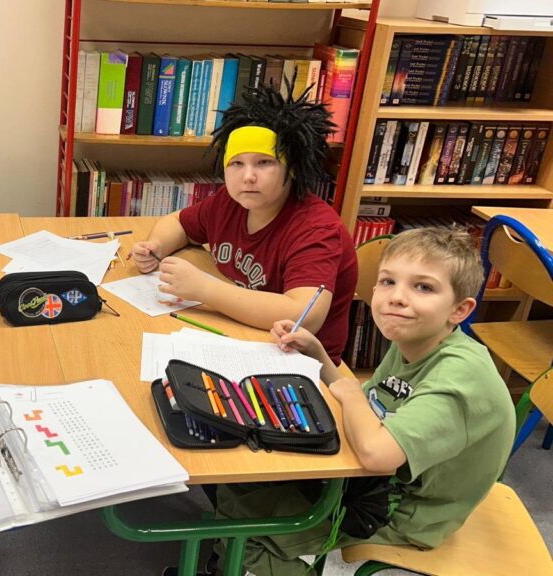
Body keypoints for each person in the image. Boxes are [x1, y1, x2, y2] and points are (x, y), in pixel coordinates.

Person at [208, 227, 515, 576]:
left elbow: (376, 453)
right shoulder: (417, 341)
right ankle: (224, 564)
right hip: (373, 481)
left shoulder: (460, 378)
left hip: (405, 510)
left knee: (247, 537)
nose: (397, 298)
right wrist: (316, 353)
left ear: (460, 310)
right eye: (388, 282)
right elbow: (369, 404)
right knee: (236, 484)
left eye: (423, 287)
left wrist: (352, 393)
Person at [131, 82, 357, 365]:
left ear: (292, 168)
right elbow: (179, 223)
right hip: (242, 334)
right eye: (236, 163)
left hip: (303, 362)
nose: (248, 176)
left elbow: (303, 315)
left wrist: (205, 289)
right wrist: (156, 246)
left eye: (264, 163)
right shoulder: (231, 201)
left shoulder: (316, 228)